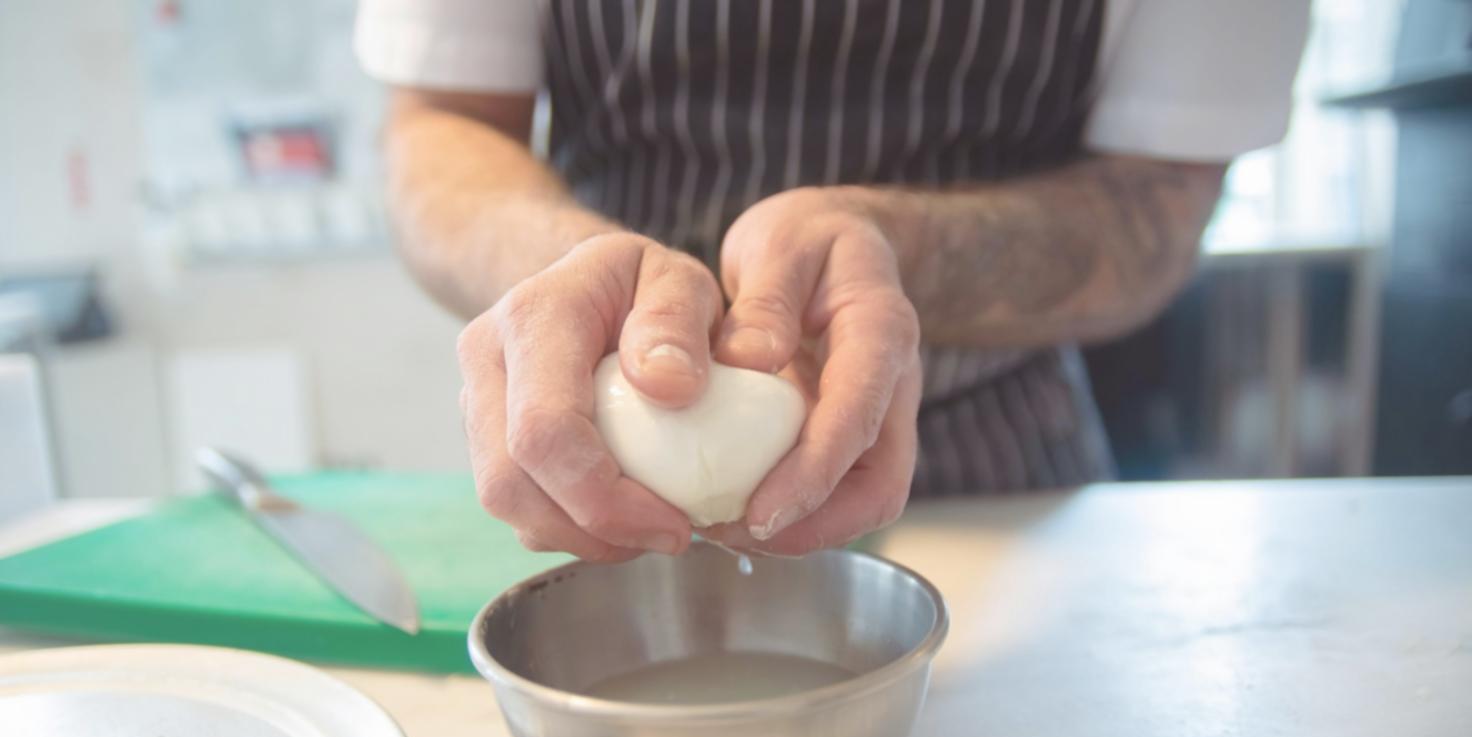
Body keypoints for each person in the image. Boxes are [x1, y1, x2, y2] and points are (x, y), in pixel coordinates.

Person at [355, 0, 1309, 560]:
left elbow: (1162, 201)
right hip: (611, 476)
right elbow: (443, 125)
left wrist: (902, 248)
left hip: (1001, 476)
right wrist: (566, 274)